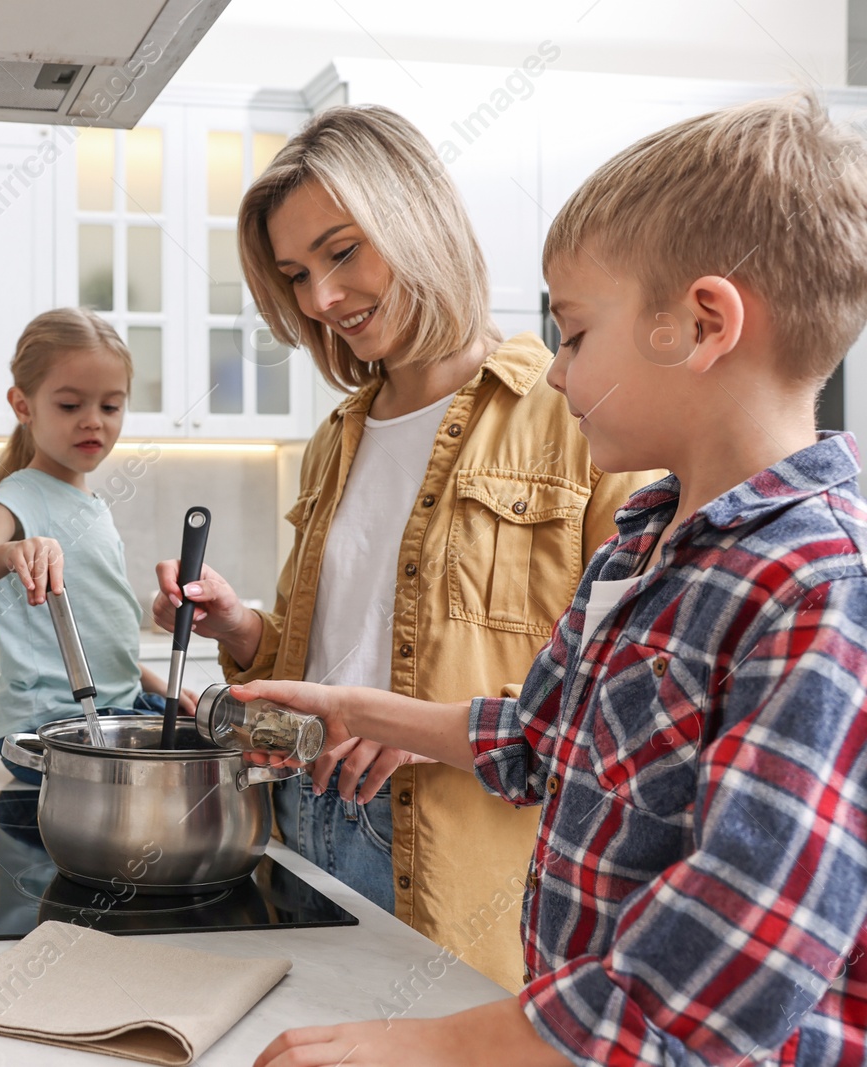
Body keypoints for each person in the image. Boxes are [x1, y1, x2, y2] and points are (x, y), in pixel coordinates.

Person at [246, 93, 867, 1066]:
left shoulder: (818, 585)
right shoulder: (640, 541)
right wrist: (349, 704)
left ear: (700, 324)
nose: (548, 369)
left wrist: (448, 1044)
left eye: (572, 335)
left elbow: (744, 926)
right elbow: (536, 738)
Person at [154, 105, 657, 991]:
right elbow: (329, 656)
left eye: (342, 252)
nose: (319, 298)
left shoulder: (576, 415)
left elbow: (632, 686)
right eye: (297, 274)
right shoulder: (336, 438)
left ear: (414, 219)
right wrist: (241, 629)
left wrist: (427, 732)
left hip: (456, 852)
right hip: (306, 820)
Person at [0, 307, 193, 785]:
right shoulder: (20, 494)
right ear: (23, 405)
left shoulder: (90, 504)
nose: (93, 422)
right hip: (48, 731)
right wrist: (10, 553)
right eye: (71, 406)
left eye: (110, 407)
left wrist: (153, 684)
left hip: (115, 711)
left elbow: (96, 633)